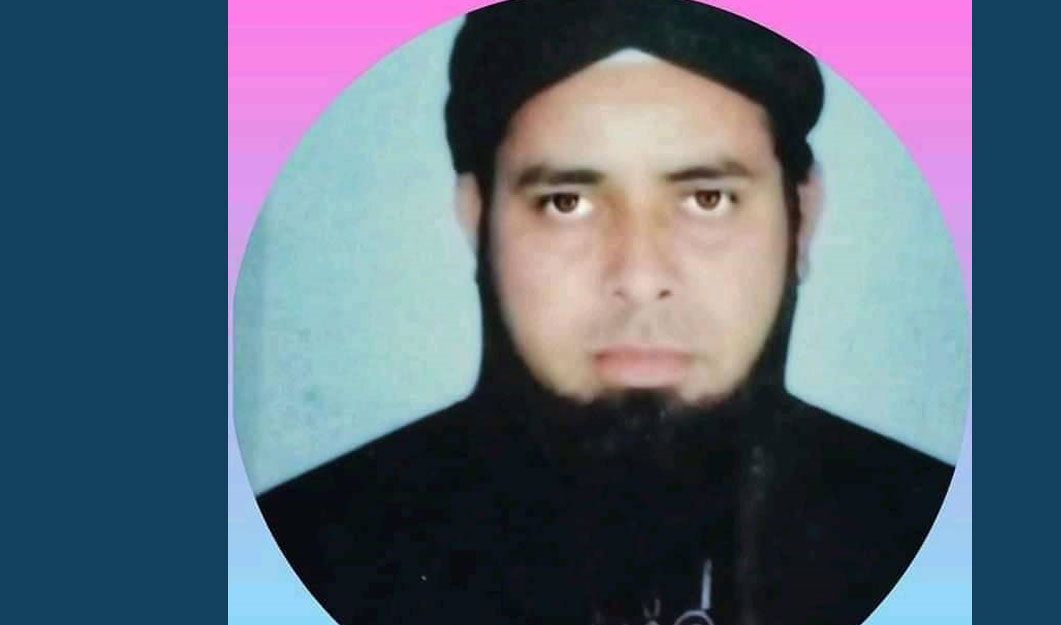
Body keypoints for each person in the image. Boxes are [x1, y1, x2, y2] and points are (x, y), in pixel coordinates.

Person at [256, 1, 955, 624]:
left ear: (802, 219)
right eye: (567, 202)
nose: (640, 276)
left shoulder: (944, 546)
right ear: (477, 218)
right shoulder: (301, 551)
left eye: (707, 198)